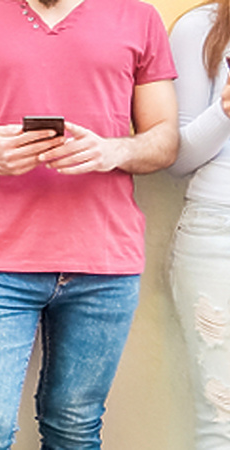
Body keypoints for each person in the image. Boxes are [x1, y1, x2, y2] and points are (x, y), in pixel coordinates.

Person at [0, 0, 178, 447]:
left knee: (75, 424)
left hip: (106, 262)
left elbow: (165, 137)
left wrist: (115, 151)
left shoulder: (139, 18)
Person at [169, 2, 230, 448]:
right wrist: (225, 109)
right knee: (222, 416)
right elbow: (178, 157)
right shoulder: (203, 27)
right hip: (218, 232)